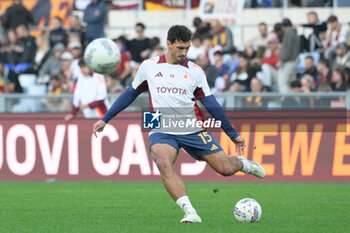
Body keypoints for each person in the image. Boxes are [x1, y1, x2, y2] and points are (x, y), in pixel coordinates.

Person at [92, 25, 265, 223]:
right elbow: (130, 93)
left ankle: (244, 164)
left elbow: (211, 104)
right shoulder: (149, 66)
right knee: (163, 162)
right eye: (180, 48)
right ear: (169, 44)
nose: (184, 53)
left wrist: (232, 134)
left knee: (225, 168)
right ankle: (190, 212)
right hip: (161, 128)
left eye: (187, 48)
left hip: (192, 127)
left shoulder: (195, 72)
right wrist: (106, 118)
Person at [277, 18, 300, 93]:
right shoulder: (294, 32)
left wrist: (281, 60)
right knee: (291, 83)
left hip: (289, 61)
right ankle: (293, 101)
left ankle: (286, 101)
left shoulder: (289, 33)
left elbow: (287, 49)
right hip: (293, 60)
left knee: (282, 81)